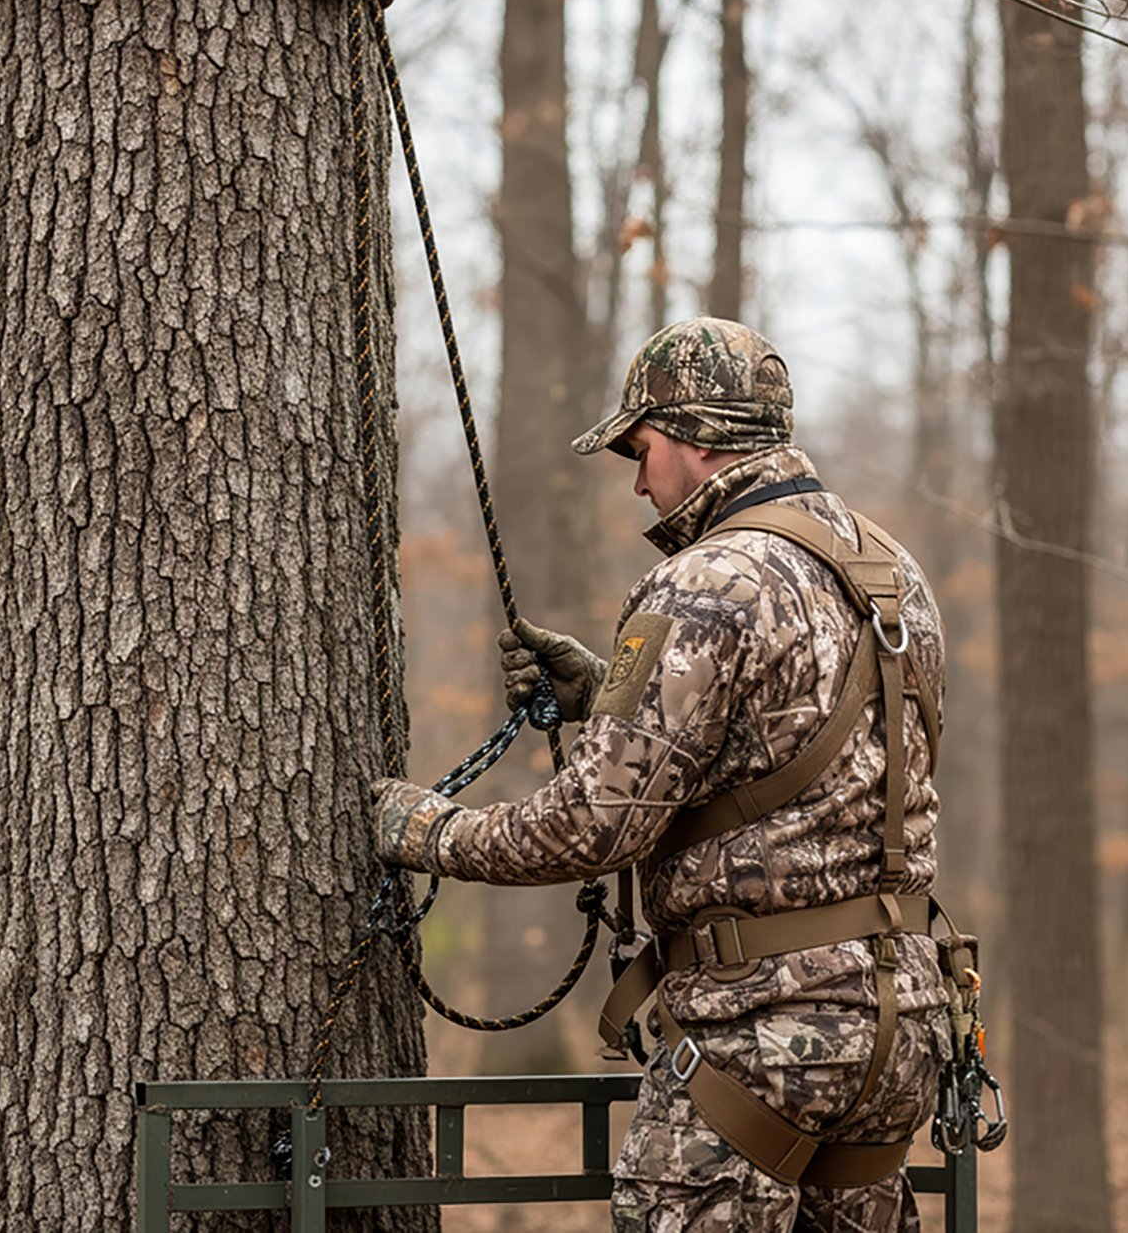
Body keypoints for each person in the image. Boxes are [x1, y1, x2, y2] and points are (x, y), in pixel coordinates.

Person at [372, 317, 949, 1232]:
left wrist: (426, 831)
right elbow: (810, 764)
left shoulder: (706, 581)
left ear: (693, 437)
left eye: (641, 449)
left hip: (765, 1038)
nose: (639, 480)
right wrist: (605, 694)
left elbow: (591, 824)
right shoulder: (891, 573)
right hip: (901, 1030)